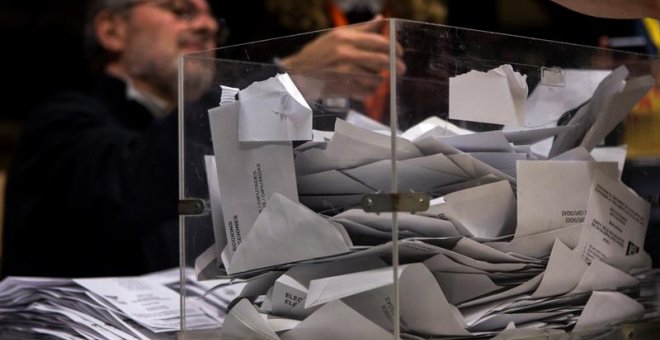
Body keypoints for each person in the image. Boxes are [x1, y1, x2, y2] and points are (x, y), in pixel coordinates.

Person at [0, 0, 405, 278]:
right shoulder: (61, 121)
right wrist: (283, 78)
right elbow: (133, 183)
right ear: (111, 30)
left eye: (214, 20)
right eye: (180, 10)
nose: (208, 26)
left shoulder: (200, 128)